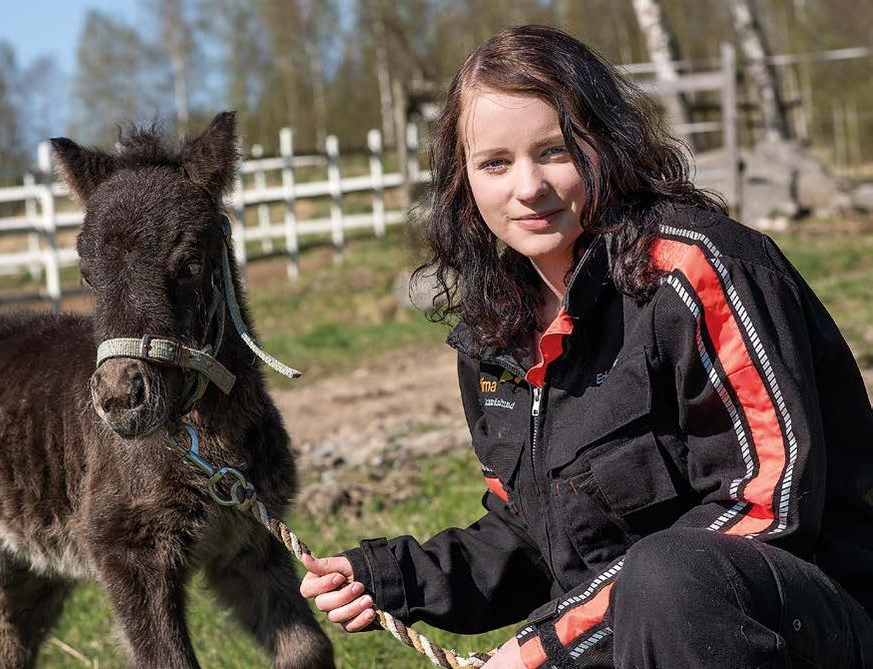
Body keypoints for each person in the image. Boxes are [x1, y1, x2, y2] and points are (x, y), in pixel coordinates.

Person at [298, 25, 873, 668]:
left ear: (606, 145)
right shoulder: (496, 335)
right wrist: (393, 578)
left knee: (673, 573)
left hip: (813, 625)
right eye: (495, 163)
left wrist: (542, 650)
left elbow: (769, 510)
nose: (527, 187)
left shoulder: (698, 271)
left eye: (555, 151)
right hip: (632, 638)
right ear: (463, 181)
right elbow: (539, 540)